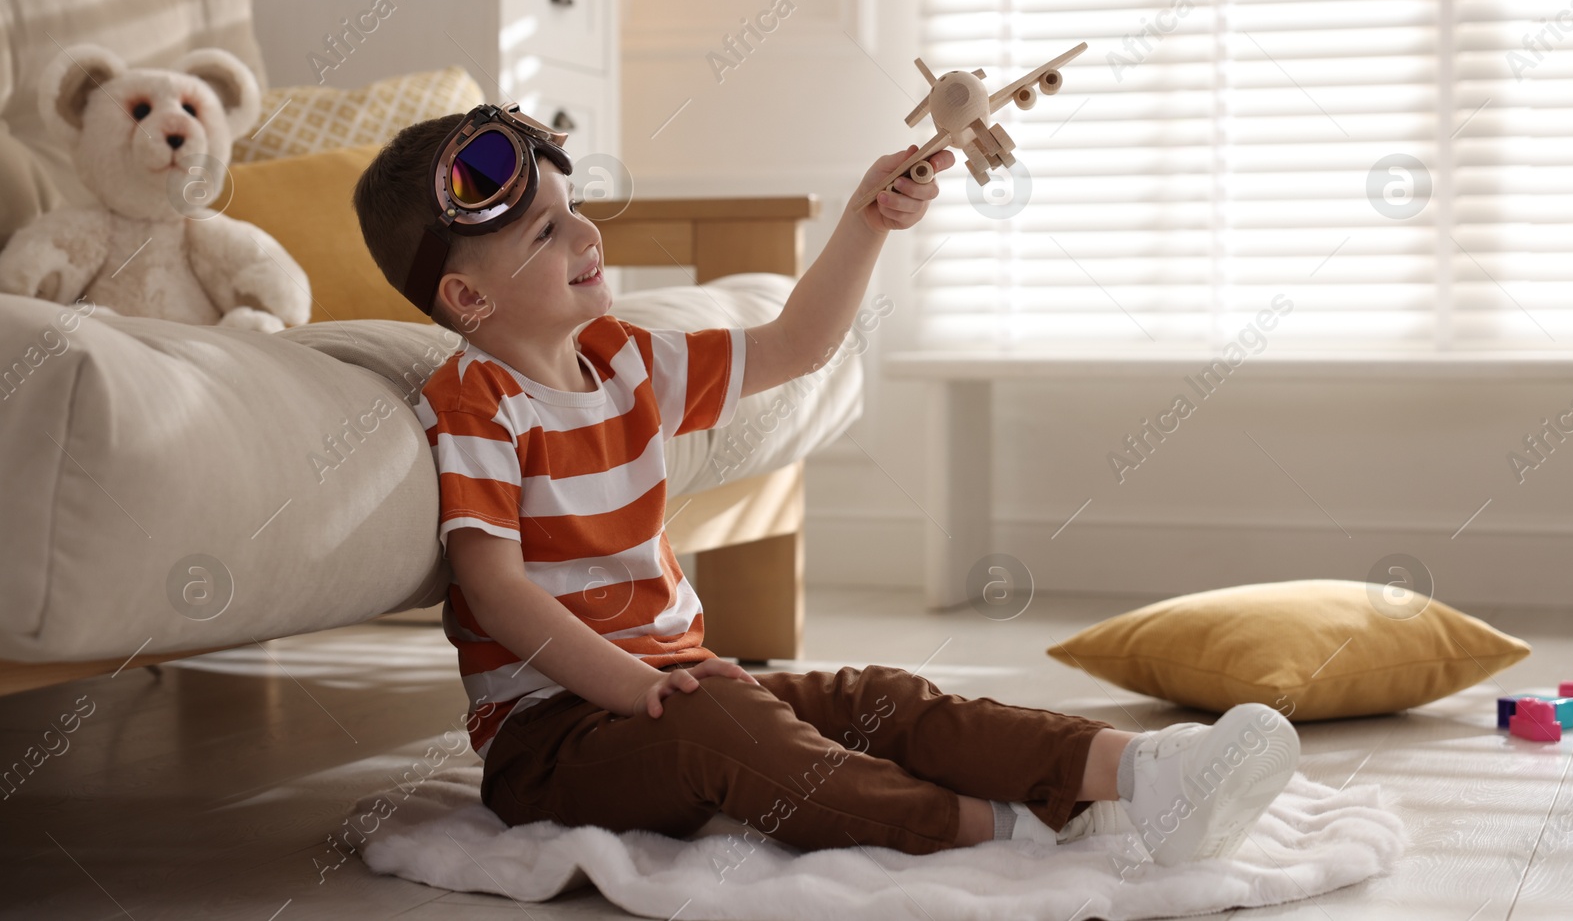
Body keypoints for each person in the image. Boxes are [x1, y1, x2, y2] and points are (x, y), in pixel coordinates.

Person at [351, 104, 1300, 864]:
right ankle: (1008, 830)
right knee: (743, 732)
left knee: (873, 694)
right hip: (556, 739)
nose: (588, 232)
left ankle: (1138, 773)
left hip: (682, 685)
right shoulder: (476, 400)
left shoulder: (621, 357)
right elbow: (498, 588)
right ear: (469, 299)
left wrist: (867, 220)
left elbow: (796, 344)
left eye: (576, 204)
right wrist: (640, 686)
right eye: (548, 230)